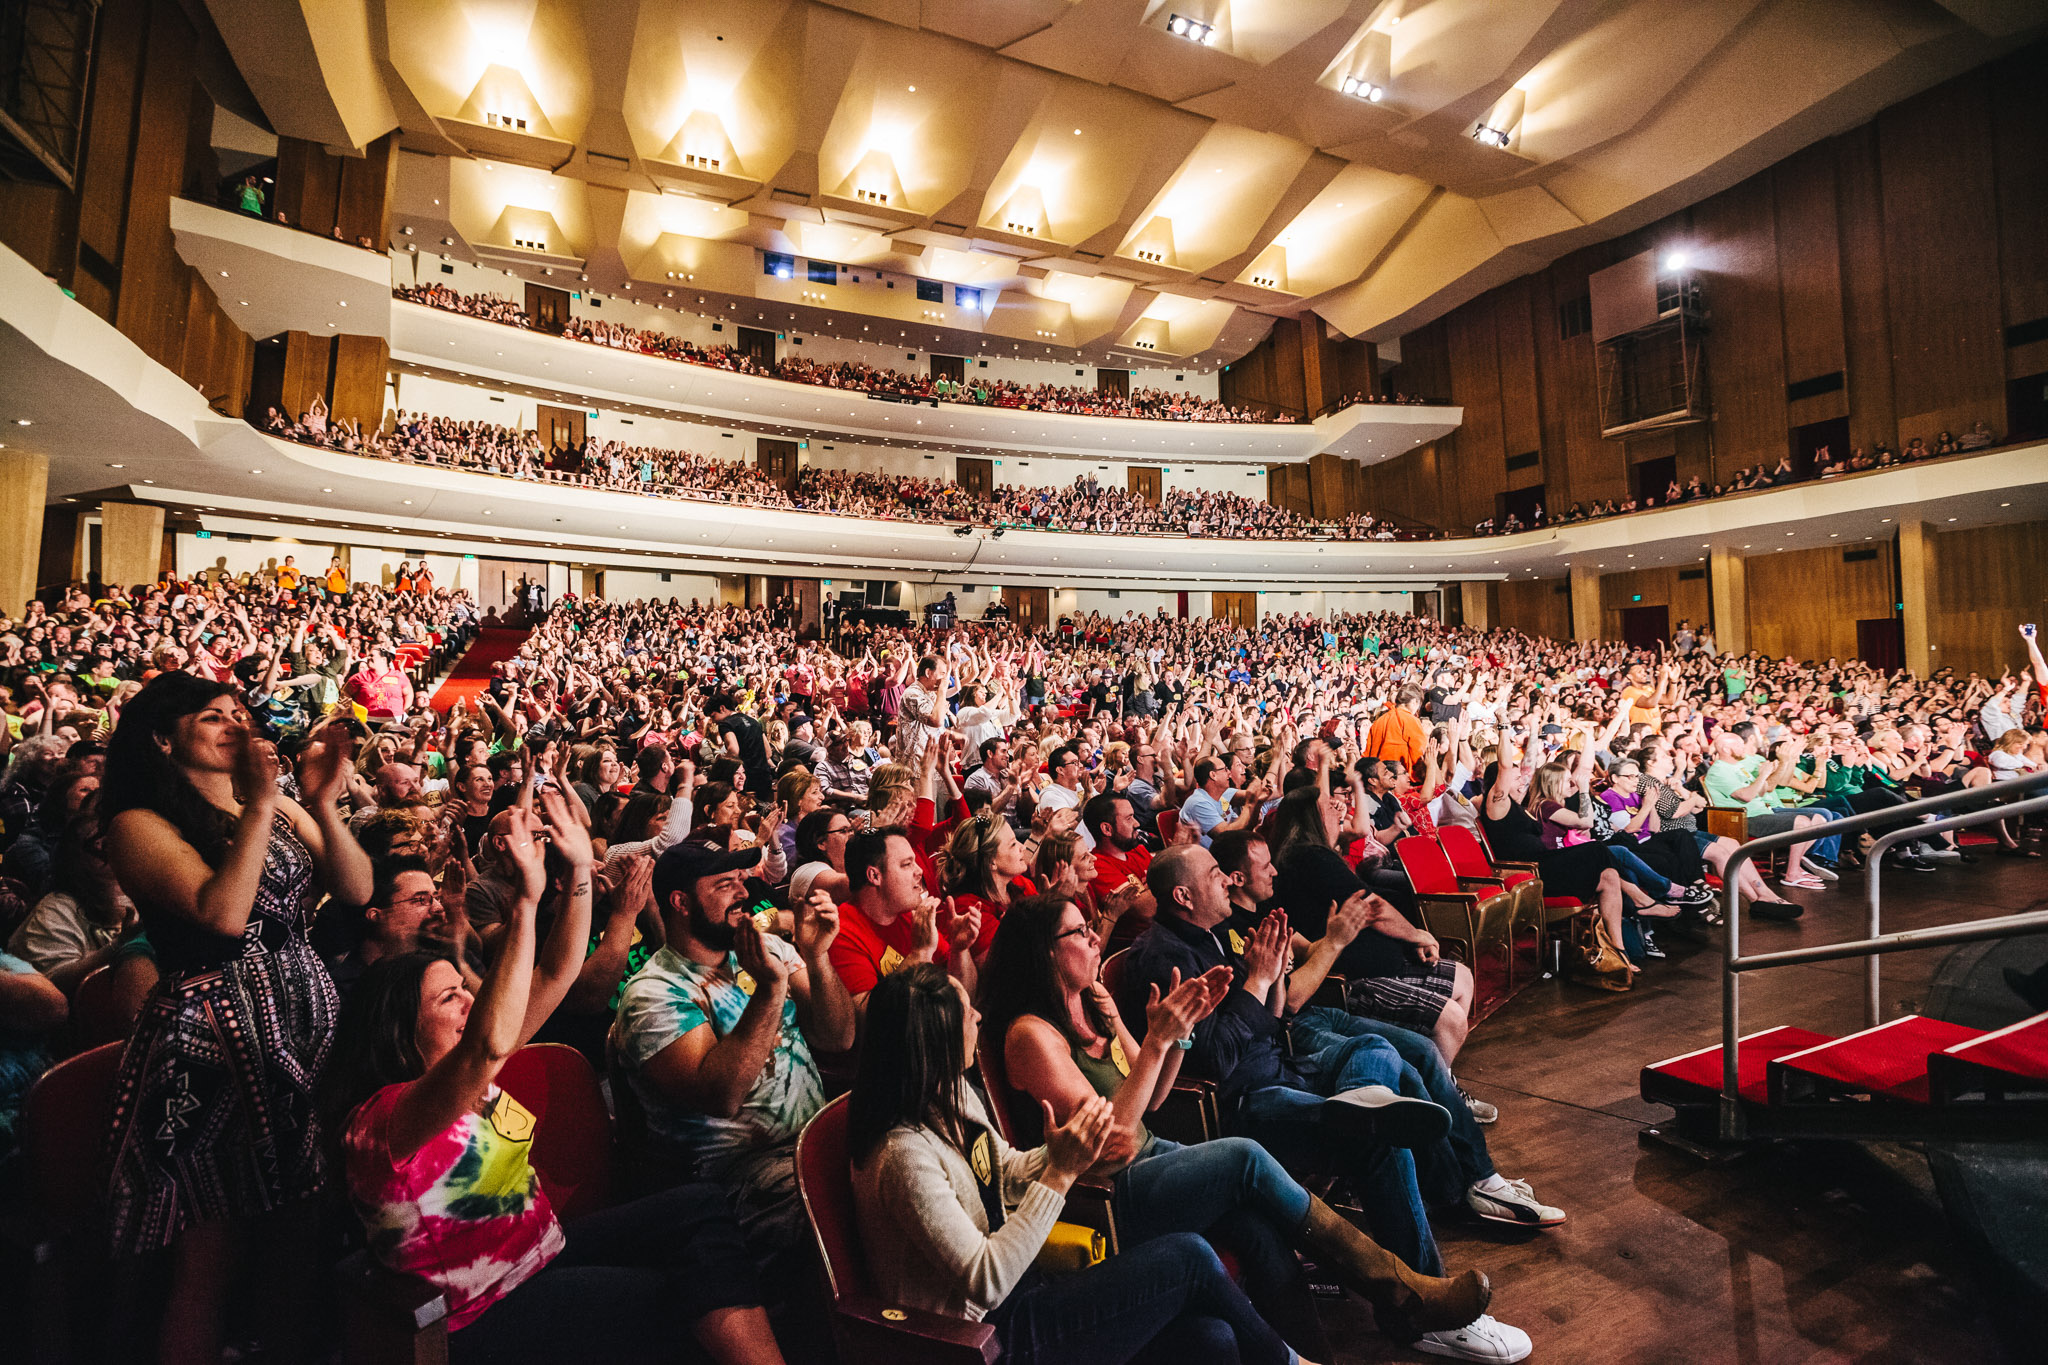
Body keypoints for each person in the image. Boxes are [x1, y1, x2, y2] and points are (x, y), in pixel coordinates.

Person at [326, 793, 784, 1365]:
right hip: (480, 1314)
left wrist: (575, 875)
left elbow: (559, 972)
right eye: (450, 997)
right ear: (398, 1027)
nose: (471, 1000)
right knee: (677, 1300)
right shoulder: (387, 1117)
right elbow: (490, 1040)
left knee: (699, 1209)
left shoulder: (465, 1072)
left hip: (542, 1259)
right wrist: (524, 902)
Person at [980, 894, 1504, 1360]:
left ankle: (1313, 1353)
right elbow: (1111, 1146)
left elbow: (1154, 1100)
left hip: (1153, 1152)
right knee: (1244, 1156)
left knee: (1262, 1234)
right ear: (1045, 951)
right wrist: (1159, 1042)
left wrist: (1170, 1034)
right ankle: (1401, 1285)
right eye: (1079, 932)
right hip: (1107, 1194)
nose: (1095, 935)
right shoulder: (1031, 1035)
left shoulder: (1092, 1007)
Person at [851, 962, 1321, 1365]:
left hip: (1026, 1287)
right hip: (983, 1339)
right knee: (1191, 1253)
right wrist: (1060, 1173)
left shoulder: (948, 1093)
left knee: (1211, 1339)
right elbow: (986, 1281)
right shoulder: (903, 1156)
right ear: (934, 1044)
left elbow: (1004, 1170)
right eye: (964, 1012)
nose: (977, 1014)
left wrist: (1066, 1150)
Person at [101, 676, 373, 1365]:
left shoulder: (279, 803)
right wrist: (257, 808)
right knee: (208, 1260)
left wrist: (318, 803)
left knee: (295, 1234)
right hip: (208, 1045)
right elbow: (222, 915)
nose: (233, 724)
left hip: (292, 1036)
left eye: (239, 715)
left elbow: (359, 887)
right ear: (164, 738)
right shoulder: (138, 822)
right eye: (211, 716)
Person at [611, 840, 855, 1262]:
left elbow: (839, 1039)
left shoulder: (768, 949)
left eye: (742, 879)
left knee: (915, 1162)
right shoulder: (655, 994)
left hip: (813, 1140)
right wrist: (771, 990)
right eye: (726, 884)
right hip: (737, 1180)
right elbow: (721, 1095)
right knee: (863, 1209)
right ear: (681, 902)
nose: (744, 892)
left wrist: (817, 958)